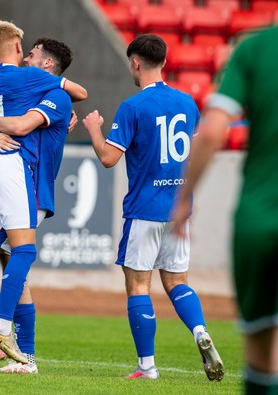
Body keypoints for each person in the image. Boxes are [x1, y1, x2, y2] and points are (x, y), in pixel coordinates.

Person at [82, 34, 224, 381]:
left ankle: (147, 368)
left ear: (135, 63)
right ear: (163, 61)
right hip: (178, 209)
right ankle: (200, 331)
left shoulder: (133, 107)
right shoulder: (187, 103)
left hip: (145, 208)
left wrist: (94, 130)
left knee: (139, 286)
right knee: (177, 281)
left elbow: (108, 158)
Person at [0, 21, 87, 368]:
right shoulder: (31, 90)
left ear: (46, 65)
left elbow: (18, 127)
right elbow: (2, 130)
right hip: (15, 187)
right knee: (1, 267)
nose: (27, 55)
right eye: (25, 50)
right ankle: (23, 355)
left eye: (33, 54)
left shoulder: (55, 96)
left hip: (33, 192)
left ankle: (0, 335)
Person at [172, 25, 278, 394]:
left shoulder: (255, 49)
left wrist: (184, 198)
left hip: (259, 218)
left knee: (262, 352)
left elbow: (215, 129)